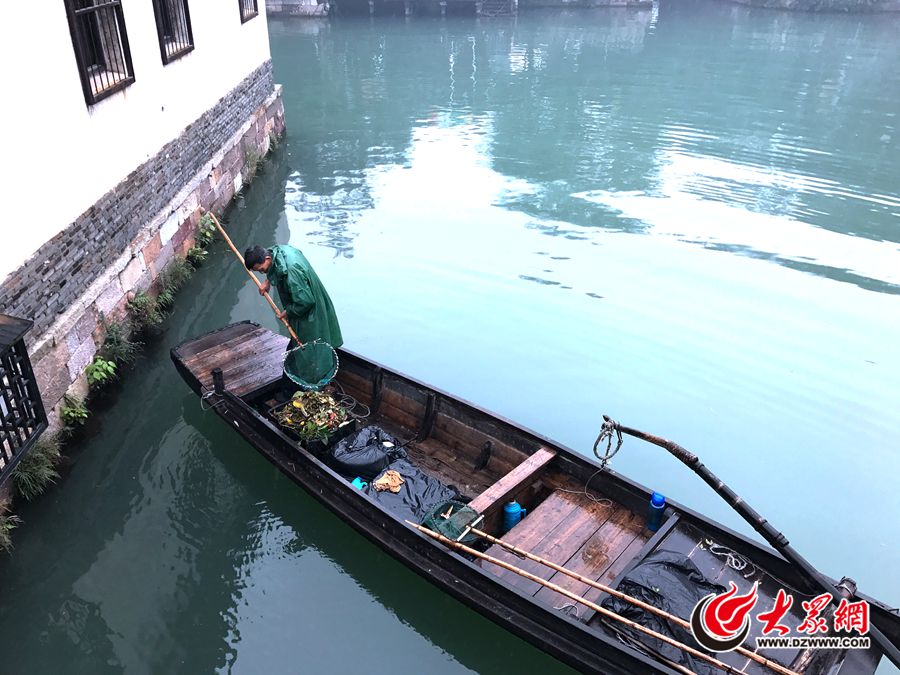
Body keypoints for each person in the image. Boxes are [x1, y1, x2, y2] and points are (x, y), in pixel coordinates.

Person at [244, 244, 343, 349]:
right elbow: (277, 265)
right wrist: (268, 280)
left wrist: (288, 311)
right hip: (312, 296)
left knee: (313, 345)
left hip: (312, 312)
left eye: (262, 270)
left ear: (267, 258)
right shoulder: (279, 251)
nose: (262, 272)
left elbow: (305, 302)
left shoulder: (292, 272)